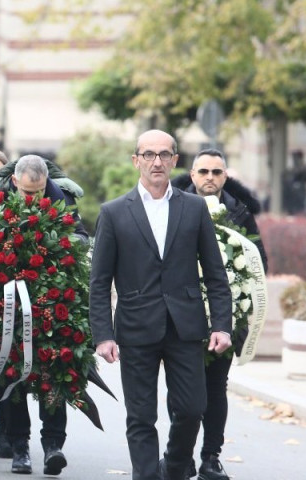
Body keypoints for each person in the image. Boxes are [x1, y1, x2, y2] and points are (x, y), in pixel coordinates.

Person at [89, 130, 233, 480]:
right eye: (149, 154)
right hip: (136, 327)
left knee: (192, 408)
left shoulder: (194, 207)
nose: (157, 161)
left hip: (185, 326)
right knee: (141, 416)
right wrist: (103, 336)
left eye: (164, 154)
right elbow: (98, 282)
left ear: (174, 161)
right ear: (136, 160)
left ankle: (172, 465)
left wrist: (222, 325)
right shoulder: (114, 213)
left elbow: (215, 273)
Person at [0, 155, 86, 475]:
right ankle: (19, 448)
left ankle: (54, 444)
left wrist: (56, 244)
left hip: (50, 297)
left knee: (53, 373)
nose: (34, 198)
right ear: (15, 182)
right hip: (4, 298)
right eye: (28, 193)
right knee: (12, 374)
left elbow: (82, 238)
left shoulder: (62, 197)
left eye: (39, 191)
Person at [173, 149, 268, 480]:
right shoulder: (172, 204)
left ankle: (210, 458)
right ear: (192, 175)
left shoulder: (240, 212)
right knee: (182, 392)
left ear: (225, 176)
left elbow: (259, 262)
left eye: (216, 172)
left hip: (225, 319)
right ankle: (180, 457)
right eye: (203, 171)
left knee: (215, 388)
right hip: (180, 317)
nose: (209, 177)